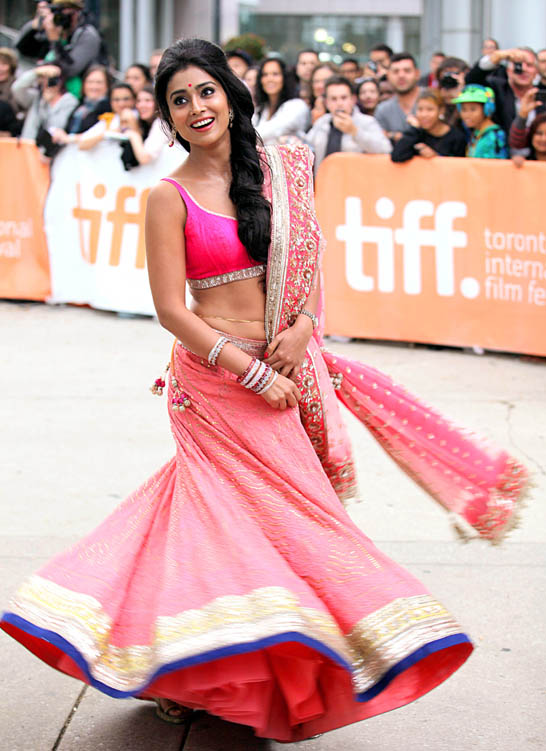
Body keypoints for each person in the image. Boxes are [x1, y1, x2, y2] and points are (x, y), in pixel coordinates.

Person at [1, 37, 527, 744]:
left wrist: (304, 323)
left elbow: (310, 260)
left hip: (286, 367)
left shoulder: (282, 167)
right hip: (214, 387)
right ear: (168, 114)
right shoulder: (168, 195)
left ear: (230, 91)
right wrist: (251, 371)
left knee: (259, 526)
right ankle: (211, 667)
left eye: (205, 91)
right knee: (248, 527)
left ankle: (193, 664)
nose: (195, 108)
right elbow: (171, 308)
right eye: (179, 99)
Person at [306, 75, 391, 171]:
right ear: (327, 103)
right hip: (324, 181)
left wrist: (354, 131)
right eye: (333, 99)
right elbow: (307, 146)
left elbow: (385, 149)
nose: (339, 103)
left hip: (355, 182)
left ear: (353, 99)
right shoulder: (322, 122)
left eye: (344, 98)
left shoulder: (367, 122)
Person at [465, 46, 539, 135]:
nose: (523, 69)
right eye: (518, 65)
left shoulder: (541, 94)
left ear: (536, 71)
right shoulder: (497, 88)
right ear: (508, 70)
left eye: (529, 65)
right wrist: (498, 56)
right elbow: (472, 80)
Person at [11, 63, 78, 148]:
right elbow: (17, 88)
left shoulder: (69, 101)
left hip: (46, 151)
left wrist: (46, 104)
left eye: (54, 79)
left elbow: (55, 127)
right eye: (44, 78)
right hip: (26, 147)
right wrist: (36, 72)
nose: (48, 82)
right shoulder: (37, 97)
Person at [391, 88, 467, 162]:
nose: (424, 115)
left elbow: (460, 166)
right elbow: (397, 156)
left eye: (430, 109)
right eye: (420, 109)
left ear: (441, 111)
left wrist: (436, 157)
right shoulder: (417, 134)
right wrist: (414, 128)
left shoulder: (457, 137)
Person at [252, 56, 309, 144]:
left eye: (275, 74)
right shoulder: (260, 109)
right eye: (265, 75)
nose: (269, 79)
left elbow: (271, 130)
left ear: (285, 78)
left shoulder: (297, 106)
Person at [51, 63, 111, 143]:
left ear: (107, 86)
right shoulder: (80, 106)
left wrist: (69, 138)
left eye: (99, 82)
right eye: (90, 82)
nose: (94, 86)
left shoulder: (109, 108)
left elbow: (101, 134)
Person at [374, 52, 421, 143]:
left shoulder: (433, 99)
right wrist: (392, 136)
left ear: (417, 74)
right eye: (395, 71)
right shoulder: (383, 110)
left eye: (407, 70)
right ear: (388, 76)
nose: (401, 76)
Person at [118, 84, 168, 168]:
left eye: (147, 100)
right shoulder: (143, 122)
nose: (142, 105)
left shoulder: (162, 124)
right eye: (138, 101)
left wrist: (134, 136)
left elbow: (145, 157)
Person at [453, 84, 508, 158]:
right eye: (464, 109)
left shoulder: (495, 135)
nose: (467, 115)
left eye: (473, 109)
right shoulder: (476, 132)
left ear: (487, 109)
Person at [76, 81, 135, 150]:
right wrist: (106, 134)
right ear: (111, 102)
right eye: (116, 100)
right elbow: (82, 145)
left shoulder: (139, 116)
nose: (121, 104)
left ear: (133, 100)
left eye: (126, 99)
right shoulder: (109, 118)